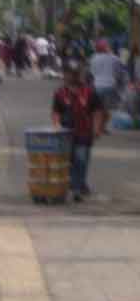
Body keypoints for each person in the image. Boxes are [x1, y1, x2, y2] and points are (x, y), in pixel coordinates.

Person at [53, 62, 108, 202]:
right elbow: (56, 112)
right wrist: (57, 125)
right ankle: (79, 184)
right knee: (70, 160)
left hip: (84, 133)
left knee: (81, 159)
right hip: (65, 134)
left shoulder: (90, 92)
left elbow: (98, 112)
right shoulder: (60, 93)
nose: (69, 76)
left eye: (73, 73)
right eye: (67, 73)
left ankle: (76, 189)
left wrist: (96, 129)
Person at [89, 39, 128, 112]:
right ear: (108, 48)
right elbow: (120, 74)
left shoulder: (93, 58)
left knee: (98, 111)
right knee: (110, 111)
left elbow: (92, 74)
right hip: (110, 86)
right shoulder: (115, 58)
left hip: (97, 86)